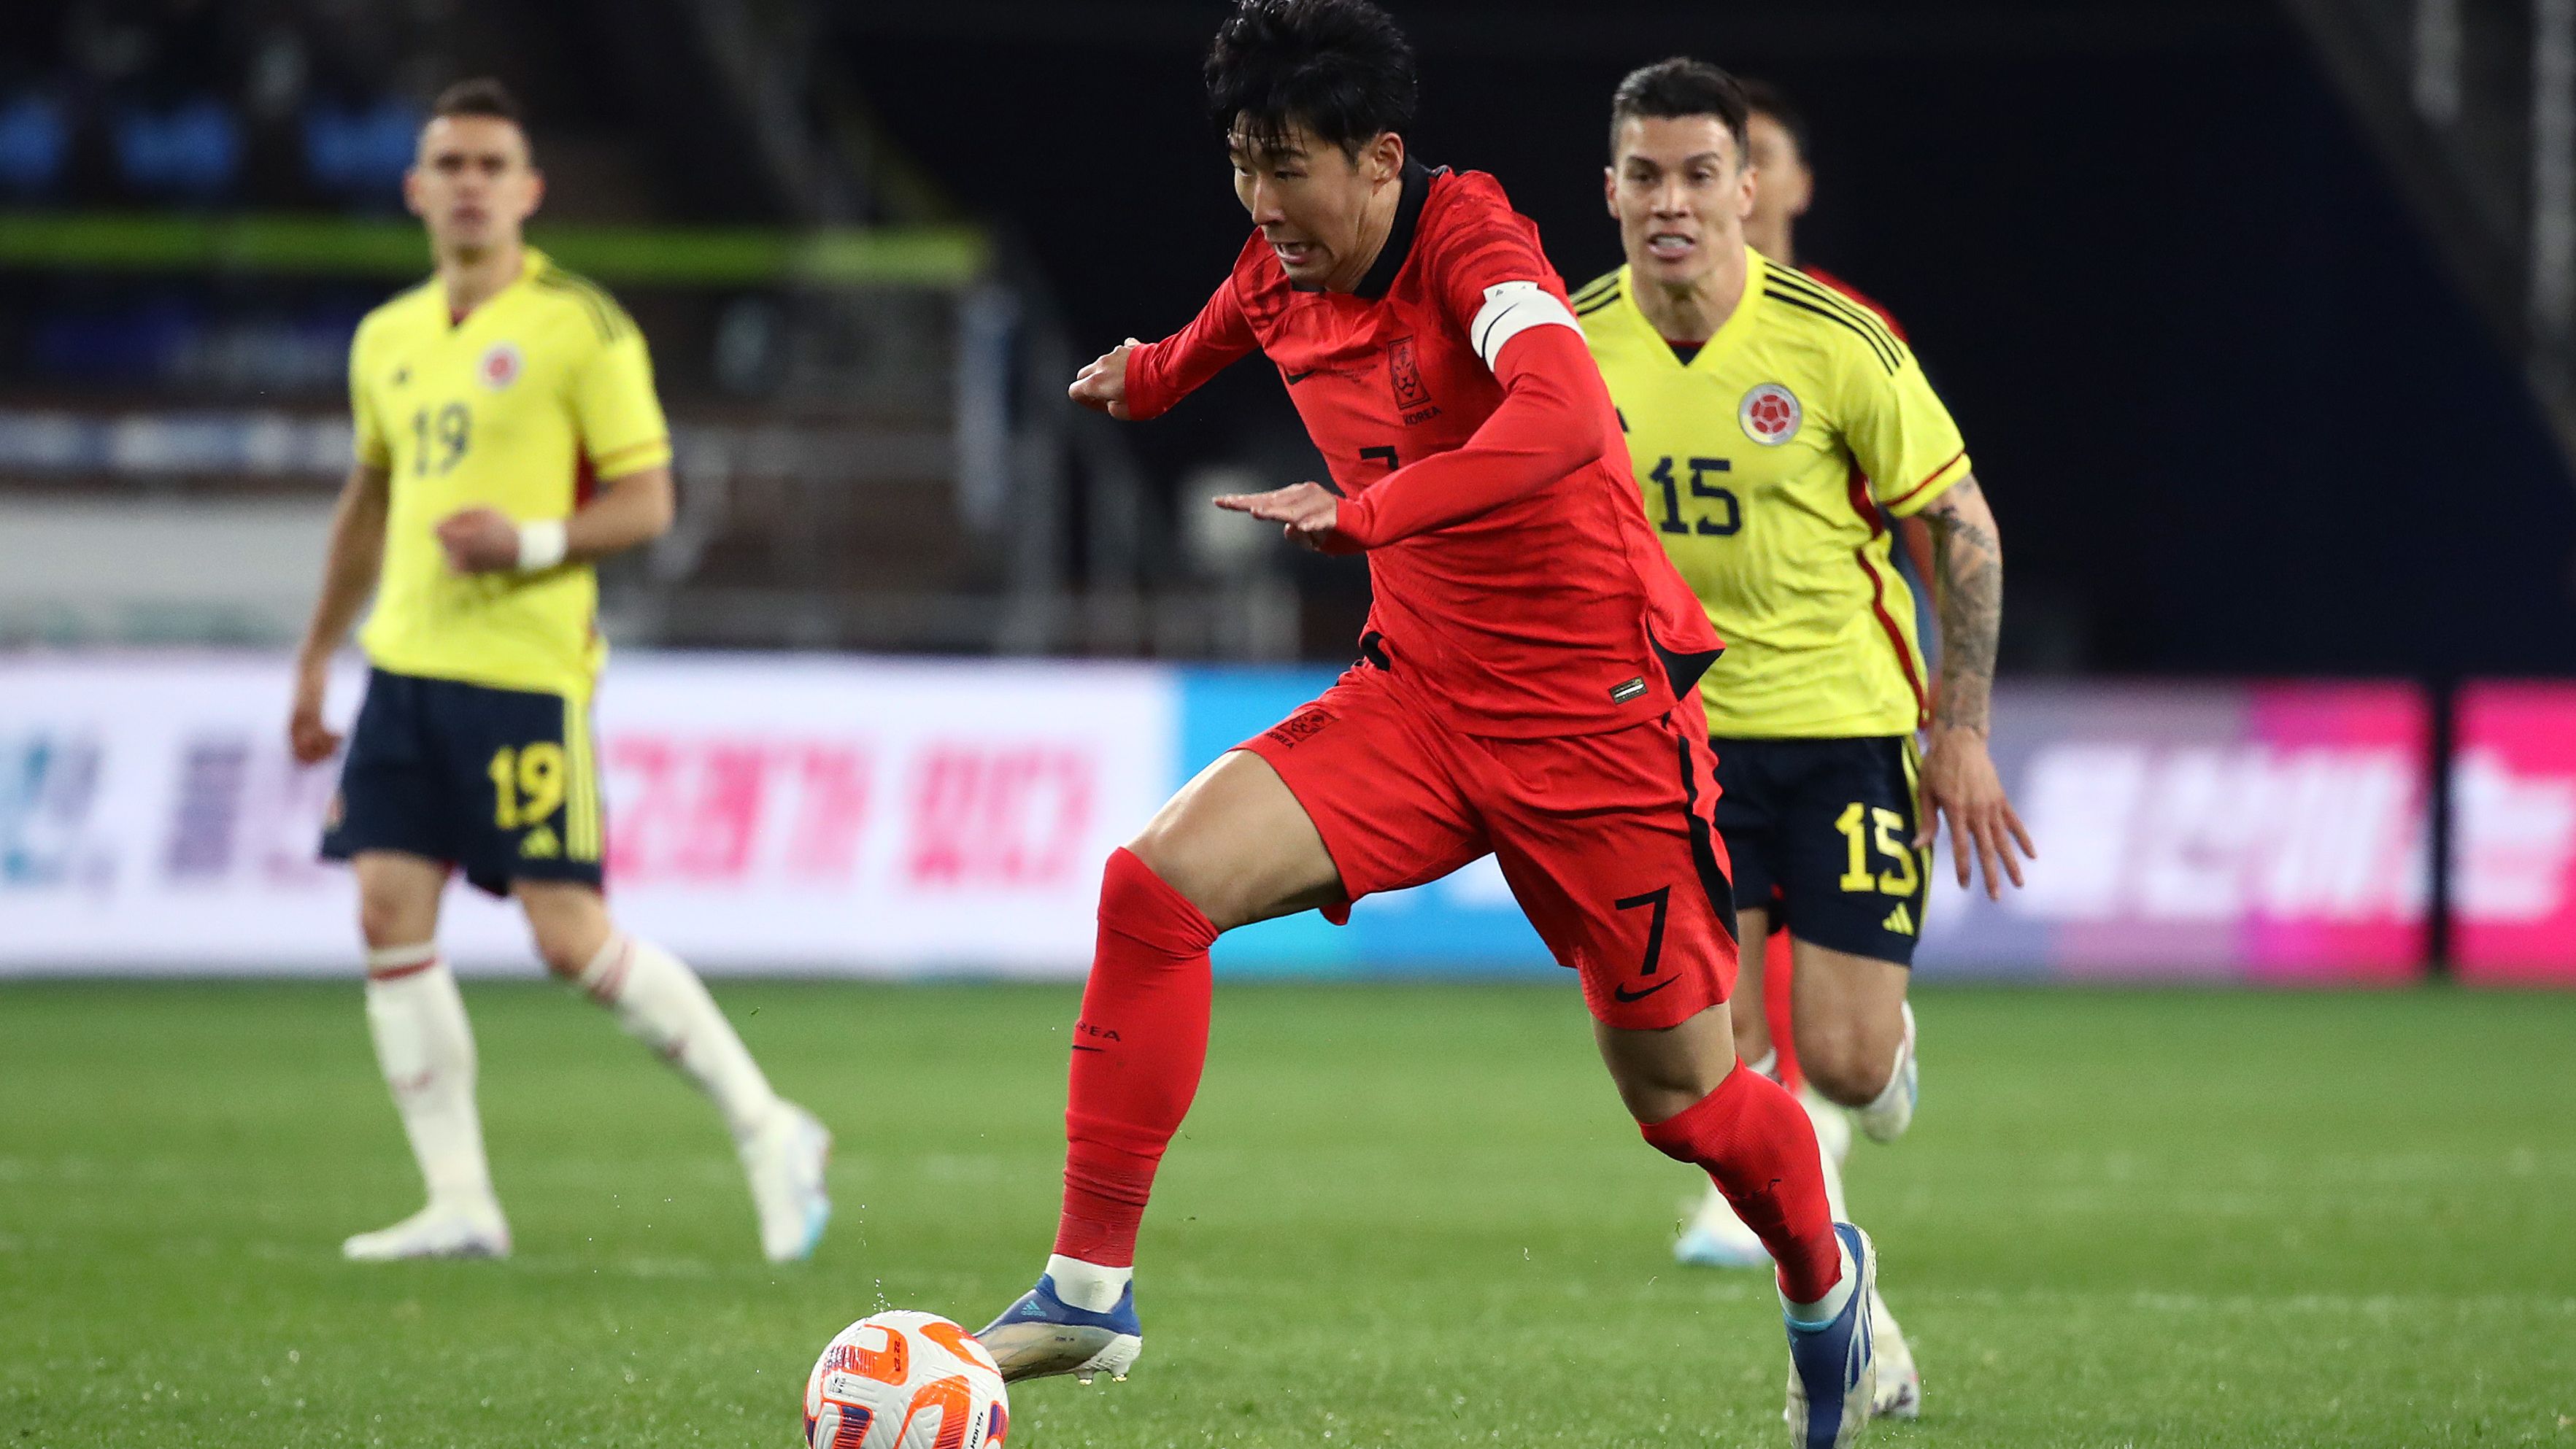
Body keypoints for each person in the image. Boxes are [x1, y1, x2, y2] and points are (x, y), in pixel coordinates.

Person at [968, 5, 1878, 1443]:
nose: (1264, 204)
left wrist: (1373, 509)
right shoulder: (1280, 266)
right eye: (1241, 165)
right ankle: (1089, 1290)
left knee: (1684, 1101)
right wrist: (1146, 376)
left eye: (1289, 167)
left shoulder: (1475, 246)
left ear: (1380, 159)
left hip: (1596, 728)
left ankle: (1827, 1288)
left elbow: (1566, 415)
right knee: (1152, 890)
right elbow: (1220, 330)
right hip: (1422, 702)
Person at [288, 78, 830, 1264]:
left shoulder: (580, 328)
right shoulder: (387, 339)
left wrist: (527, 541)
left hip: (522, 673)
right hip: (403, 668)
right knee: (386, 909)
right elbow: (368, 502)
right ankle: (462, 1200)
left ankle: (769, 1125)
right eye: (451, 163)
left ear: (528, 190)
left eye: (492, 165)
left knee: (567, 935)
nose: (470, 184)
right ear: (416, 188)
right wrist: (317, 655)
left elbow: (649, 500)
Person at [1575, 58, 2039, 1422]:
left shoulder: (1837, 344)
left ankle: (1878, 1065)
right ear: (1609, 191)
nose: (1672, 202)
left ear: (1748, 188)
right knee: (1712, 1072)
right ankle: (1849, 1302)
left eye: (1699, 174)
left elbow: (1961, 529)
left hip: (1838, 728)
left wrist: (1959, 731)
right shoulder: (1564, 345)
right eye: (1645, 176)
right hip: (1671, 750)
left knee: (1836, 1060)